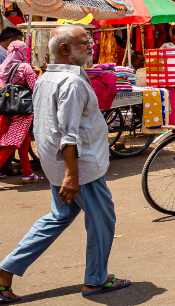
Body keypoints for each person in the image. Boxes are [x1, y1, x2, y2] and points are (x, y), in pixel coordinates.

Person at [0, 26, 130, 302]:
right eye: (85, 43)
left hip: (59, 165)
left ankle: (5, 271)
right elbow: (68, 133)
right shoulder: (69, 83)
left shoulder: (48, 77)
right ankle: (96, 280)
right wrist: (72, 176)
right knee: (102, 221)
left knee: (58, 217)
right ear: (64, 50)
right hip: (80, 169)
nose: (92, 46)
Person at [0, 41, 42, 185]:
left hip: (6, 109)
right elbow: (35, 88)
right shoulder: (25, 67)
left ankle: (27, 173)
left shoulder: (2, 67)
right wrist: (40, 73)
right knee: (11, 144)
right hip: (22, 111)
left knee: (25, 141)